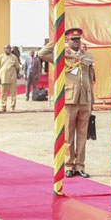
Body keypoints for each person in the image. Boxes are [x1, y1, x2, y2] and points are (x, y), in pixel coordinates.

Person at [39, 28, 94, 178]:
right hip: (69, 99)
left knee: (82, 135)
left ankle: (80, 165)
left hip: (84, 100)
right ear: (67, 42)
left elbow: (90, 79)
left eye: (78, 39)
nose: (76, 42)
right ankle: (69, 165)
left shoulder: (88, 56)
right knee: (68, 136)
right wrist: (58, 40)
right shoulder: (62, 56)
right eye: (73, 40)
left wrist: (92, 102)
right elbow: (42, 53)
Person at [0, 45, 21, 112]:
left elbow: (17, 67)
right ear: (4, 49)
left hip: (12, 77)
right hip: (3, 77)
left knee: (13, 93)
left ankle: (12, 107)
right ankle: (3, 107)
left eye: (9, 48)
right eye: (7, 48)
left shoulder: (14, 57)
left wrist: (16, 74)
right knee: (3, 93)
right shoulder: (0, 57)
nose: (8, 49)